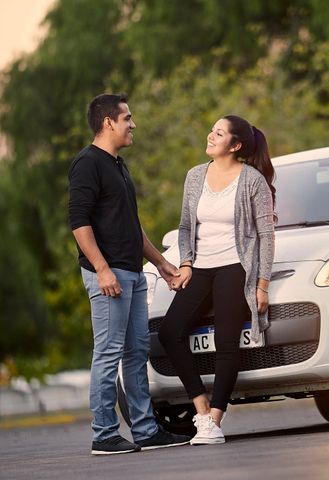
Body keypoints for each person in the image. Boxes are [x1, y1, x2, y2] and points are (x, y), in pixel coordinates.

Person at [68, 93, 191, 455]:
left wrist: (161, 263)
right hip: (108, 276)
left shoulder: (118, 165)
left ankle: (145, 430)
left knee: (136, 352)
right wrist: (103, 270)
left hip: (133, 273)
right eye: (127, 118)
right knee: (108, 353)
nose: (133, 124)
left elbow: (131, 227)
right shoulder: (87, 164)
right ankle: (104, 434)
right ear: (108, 122)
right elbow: (79, 222)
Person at [158, 114, 276, 445]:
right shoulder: (195, 175)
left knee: (226, 342)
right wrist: (185, 263)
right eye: (212, 130)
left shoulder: (253, 181)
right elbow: (184, 226)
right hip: (201, 267)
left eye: (219, 133)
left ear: (235, 145)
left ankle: (215, 421)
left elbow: (266, 236)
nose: (211, 135)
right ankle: (201, 408)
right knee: (170, 332)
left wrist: (261, 284)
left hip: (235, 267)